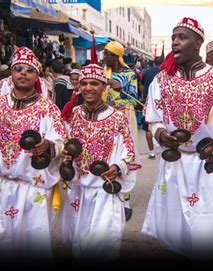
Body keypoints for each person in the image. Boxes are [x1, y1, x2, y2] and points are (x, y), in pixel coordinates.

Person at [141, 17, 213, 259]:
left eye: (182, 37)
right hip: (174, 164)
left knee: (208, 235)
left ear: (197, 43)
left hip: (209, 166)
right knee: (176, 235)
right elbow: (152, 118)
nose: (175, 43)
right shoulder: (162, 80)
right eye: (173, 38)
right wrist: (161, 134)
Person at [0, 47, 65, 261]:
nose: (23, 73)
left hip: (32, 188)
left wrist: (47, 146)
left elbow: (61, 140)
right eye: (18, 69)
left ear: (37, 75)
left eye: (29, 69)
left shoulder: (48, 108)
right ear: (12, 73)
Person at [60, 64, 141, 261]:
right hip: (78, 190)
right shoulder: (71, 115)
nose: (88, 88)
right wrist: (64, 156)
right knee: (77, 245)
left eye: (94, 83)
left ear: (104, 87)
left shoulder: (117, 118)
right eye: (84, 83)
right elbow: (62, 144)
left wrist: (117, 167)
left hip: (105, 192)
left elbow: (130, 153)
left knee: (102, 248)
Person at [103, 41, 139, 221]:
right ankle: (109, 193)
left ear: (117, 56)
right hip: (105, 119)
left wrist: (121, 90)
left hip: (125, 116)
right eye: (104, 53)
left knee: (126, 155)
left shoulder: (129, 74)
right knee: (109, 156)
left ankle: (126, 200)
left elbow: (134, 101)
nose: (104, 57)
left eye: (107, 54)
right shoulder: (103, 73)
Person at [140, 57, 163, 159]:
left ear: (154, 62)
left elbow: (141, 87)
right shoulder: (165, 72)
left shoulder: (147, 72)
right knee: (164, 126)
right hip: (162, 104)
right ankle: (165, 150)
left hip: (148, 102)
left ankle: (151, 152)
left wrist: (143, 96)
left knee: (148, 128)